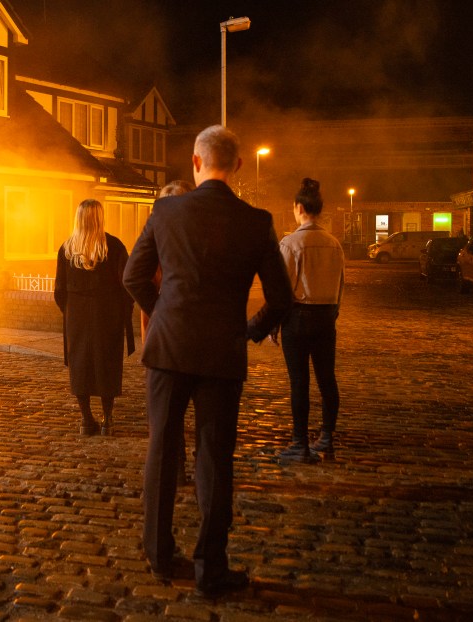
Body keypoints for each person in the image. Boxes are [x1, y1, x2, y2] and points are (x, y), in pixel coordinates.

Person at [123, 125, 292, 599]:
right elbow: (281, 299)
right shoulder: (256, 222)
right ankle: (210, 568)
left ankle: (159, 554)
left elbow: (133, 276)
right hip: (221, 352)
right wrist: (248, 330)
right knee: (215, 458)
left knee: (162, 450)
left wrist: (162, 315)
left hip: (169, 348)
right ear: (237, 165)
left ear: (196, 163)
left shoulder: (166, 210)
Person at [272, 178, 346, 464]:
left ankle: (299, 443)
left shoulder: (291, 243)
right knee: (327, 379)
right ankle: (327, 436)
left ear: (299, 208)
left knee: (299, 382)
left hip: (298, 318)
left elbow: (282, 289)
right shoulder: (334, 244)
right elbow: (341, 285)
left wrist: (275, 323)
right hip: (326, 317)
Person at [54, 199, 135, 436]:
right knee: (106, 365)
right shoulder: (115, 247)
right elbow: (127, 285)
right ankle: (107, 419)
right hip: (107, 316)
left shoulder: (67, 249)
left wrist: (70, 312)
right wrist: (122, 312)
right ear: (100, 217)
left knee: (80, 367)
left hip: (77, 316)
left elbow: (59, 291)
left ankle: (85, 419)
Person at [141, 180, 195, 486]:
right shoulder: (155, 246)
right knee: (164, 414)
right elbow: (138, 286)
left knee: (168, 413)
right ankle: (175, 465)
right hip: (165, 340)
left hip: (185, 338)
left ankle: (182, 468)